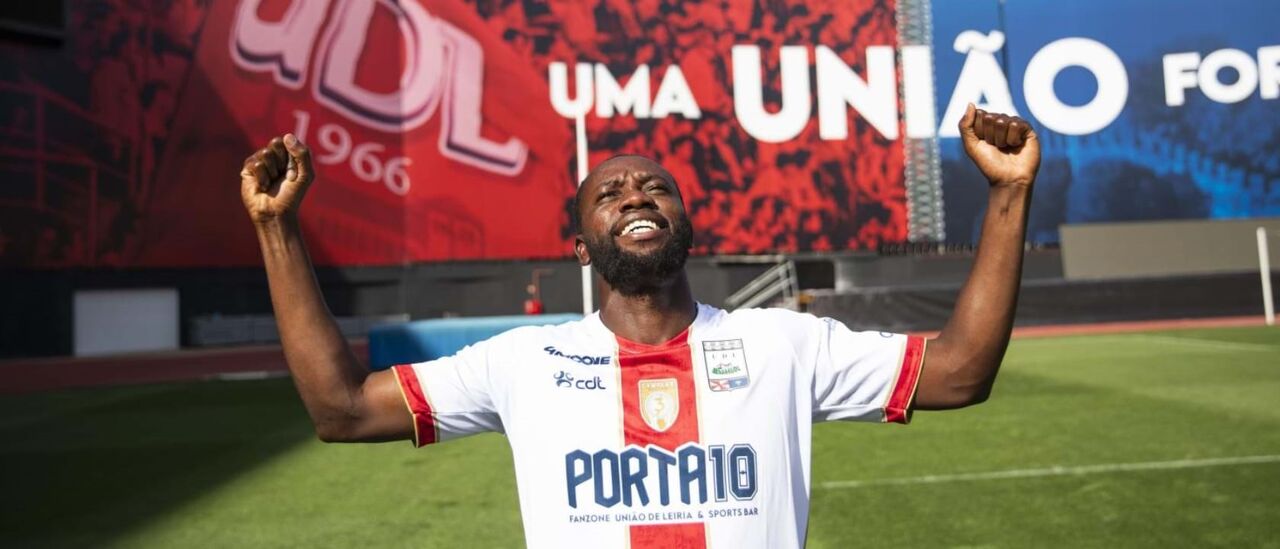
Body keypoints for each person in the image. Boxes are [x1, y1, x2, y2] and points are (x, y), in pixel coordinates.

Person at [239, 103, 1039, 548]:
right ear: (580, 244)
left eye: (655, 187)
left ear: (686, 220)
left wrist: (1007, 195)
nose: (634, 194)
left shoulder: (783, 344)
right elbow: (342, 409)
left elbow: (960, 371)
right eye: (609, 193)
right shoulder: (523, 362)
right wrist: (277, 229)